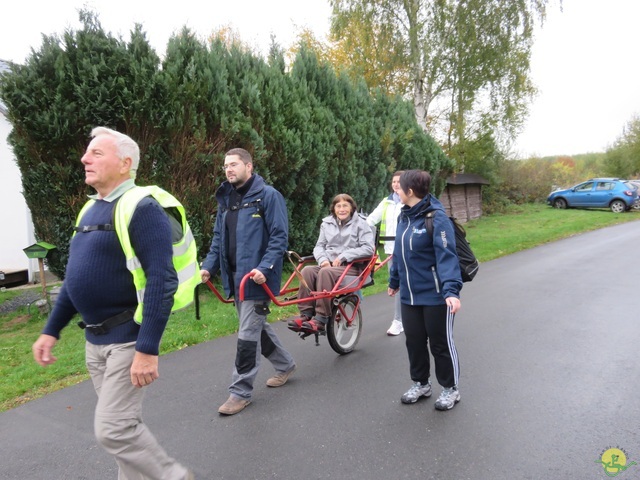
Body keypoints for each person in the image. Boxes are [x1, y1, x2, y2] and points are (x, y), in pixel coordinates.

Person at [32, 127, 194, 479]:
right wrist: (51, 330)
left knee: (113, 430)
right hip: (95, 343)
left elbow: (161, 280)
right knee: (124, 430)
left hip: (126, 339)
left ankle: (174, 477)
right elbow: (76, 280)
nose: (84, 159)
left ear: (125, 164)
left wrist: (147, 348)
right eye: (87, 153)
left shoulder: (142, 208)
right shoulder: (90, 210)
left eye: (96, 153)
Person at [200, 148, 296, 416]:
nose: (228, 169)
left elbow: (279, 237)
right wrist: (209, 267)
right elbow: (219, 239)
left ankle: (239, 392)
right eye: (225, 166)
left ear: (249, 167)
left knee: (247, 335)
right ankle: (285, 364)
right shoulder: (227, 200)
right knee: (255, 327)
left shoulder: (268, 197)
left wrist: (265, 267)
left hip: (257, 280)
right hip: (235, 279)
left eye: (233, 164)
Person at [388, 170, 463, 411]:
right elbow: (399, 253)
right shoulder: (404, 217)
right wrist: (394, 280)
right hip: (409, 295)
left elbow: (447, 256)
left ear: (410, 191)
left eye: (399, 187)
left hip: (436, 295)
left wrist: (451, 291)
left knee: (440, 344)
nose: (396, 191)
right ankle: (421, 384)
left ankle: (450, 389)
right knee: (414, 341)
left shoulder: (436, 218)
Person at [288, 193, 375, 333]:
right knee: (307, 271)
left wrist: (344, 256)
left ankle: (321, 318)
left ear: (352, 208)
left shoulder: (361, 224)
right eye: (338, 206)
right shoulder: (326, 223)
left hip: (351, 266)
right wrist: (322, 260)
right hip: (329, 265)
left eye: (345, 206)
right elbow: (319, 246)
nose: (342, 209)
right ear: (333, 208)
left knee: (325, 272)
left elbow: (368, 249)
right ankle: (306, 315)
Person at [366, 171, 405, 336]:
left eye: (399, 181)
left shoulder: (409, 202)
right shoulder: (387, 202)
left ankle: (402, 319)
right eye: (394, 181)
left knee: (409, 284)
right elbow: (371, 220)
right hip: (391, 250)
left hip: (408, 249)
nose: (396, 184)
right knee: (397, 285)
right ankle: (399, 321)